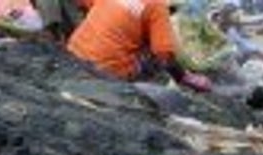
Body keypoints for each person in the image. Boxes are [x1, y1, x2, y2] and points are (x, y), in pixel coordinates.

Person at [68, 0, 211, 90]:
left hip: (72, 52)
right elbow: (165, 56)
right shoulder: (156, 6)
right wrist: (184, 77)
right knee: (154, 54)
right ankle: (140, 89)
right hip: (107, 70)